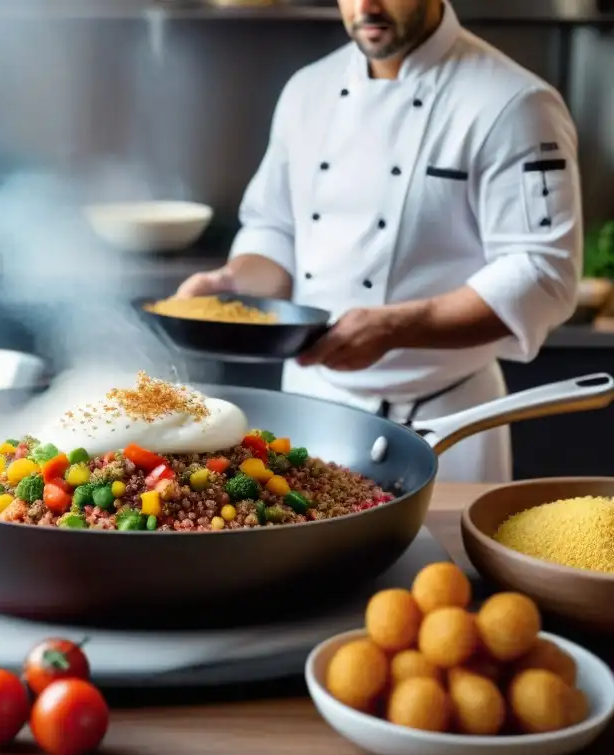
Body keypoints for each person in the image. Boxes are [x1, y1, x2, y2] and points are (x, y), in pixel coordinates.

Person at [175, 0, 582, 483]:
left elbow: (543, 272)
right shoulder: (308, 91)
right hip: (311, 410)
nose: (365, 6)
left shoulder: (513, 102)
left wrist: (398, 327)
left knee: (441, 561)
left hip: (444, 424)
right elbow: (276, 229)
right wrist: (232, 285)